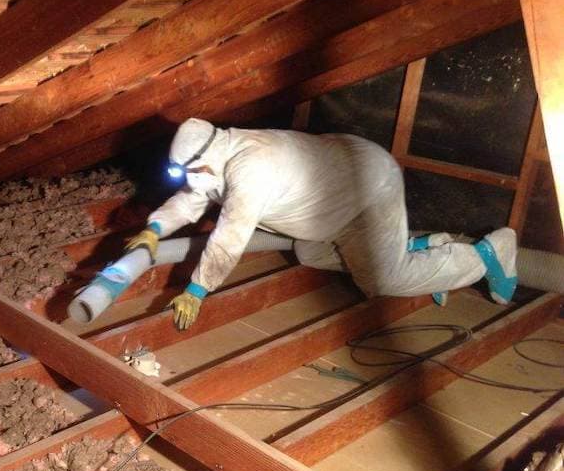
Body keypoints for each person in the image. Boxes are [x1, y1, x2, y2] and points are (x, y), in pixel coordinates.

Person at [126, 118, 518, 330]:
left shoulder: (252, 167)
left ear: (203, 163)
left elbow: (230, 236)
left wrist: (198, 289)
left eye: (190, 173)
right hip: (334, 194)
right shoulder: (216, 155)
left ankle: (486, 254)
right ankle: (413, 248)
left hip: (369, 183)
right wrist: (154, 228)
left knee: (383, 281)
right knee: (308, 250)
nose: (191, 181)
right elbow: (193, 198)